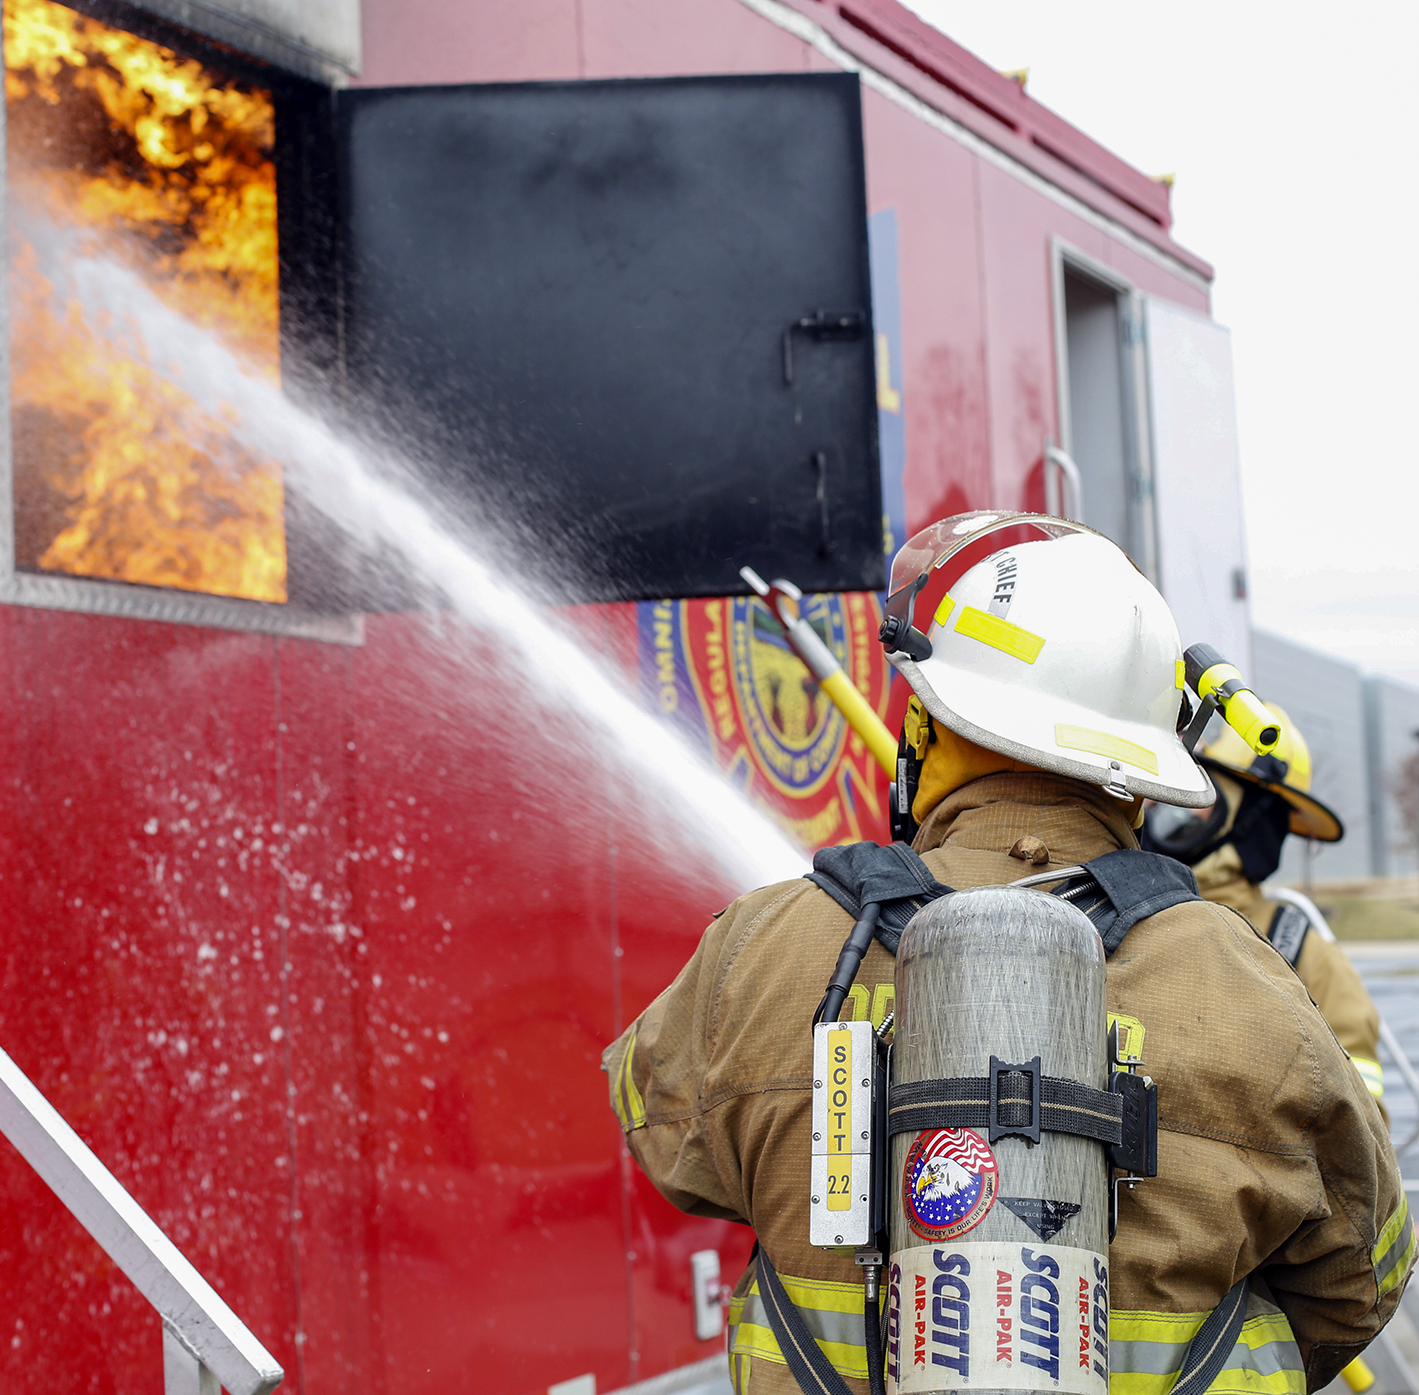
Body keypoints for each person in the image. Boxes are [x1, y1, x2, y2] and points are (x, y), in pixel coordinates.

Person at [604, 513, 1411, 1395]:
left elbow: (657, 1129)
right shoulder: (1252, 988)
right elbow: (1363, 1276)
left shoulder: (761, 949)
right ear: (1146, 754)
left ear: (933, 722)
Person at [1142, 708, 1385, 1107]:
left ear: (1250, 822)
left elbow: (1360, 1130)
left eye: (1204, 795)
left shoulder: (1307, 960)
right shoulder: (1117, 921)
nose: (1175, 808)